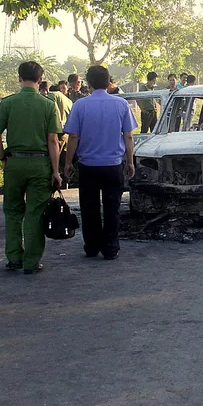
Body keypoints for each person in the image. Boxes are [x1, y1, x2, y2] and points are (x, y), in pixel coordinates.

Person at [0, 61, 64, 274]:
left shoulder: (7, 103)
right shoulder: (48, 105)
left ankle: (13, 257)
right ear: (40, 80)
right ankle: (31, 262)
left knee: (12, 211)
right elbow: (53, 141)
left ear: (19, 78)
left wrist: (3, 157)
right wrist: (56, 171)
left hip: (14, 163)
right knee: (35, 212)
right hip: (40, 164)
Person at [63, 65, 136, 261]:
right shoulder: (121, 104)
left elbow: (73, 137)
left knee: (89, 207)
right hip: (113, 164)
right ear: (108, 82)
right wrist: (130, 162)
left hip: (88, 165)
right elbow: (128, 136)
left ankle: (92, 246)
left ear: (89, 83)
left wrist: (68, 163)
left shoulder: (80, 105)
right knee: (112, 207)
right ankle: (111, 247)